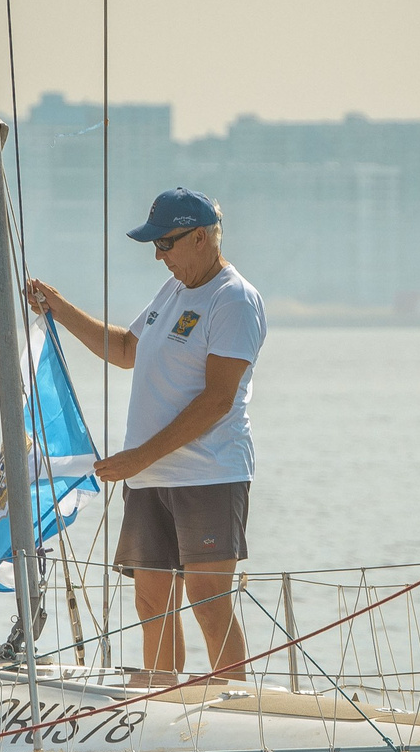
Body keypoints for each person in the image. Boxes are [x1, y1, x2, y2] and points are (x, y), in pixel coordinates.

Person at [24, 187, 265, 679]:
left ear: (201, 238)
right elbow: (124, 349)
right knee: (151, 601)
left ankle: (237, 710)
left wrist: (138, 458)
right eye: (154, 246)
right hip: (150, 480)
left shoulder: (234, 299)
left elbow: (218, 400)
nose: (159, 256)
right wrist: (58, 307)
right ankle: (161, 700)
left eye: (166, 244)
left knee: (207, 601)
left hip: (209, 475)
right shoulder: (174, 289)